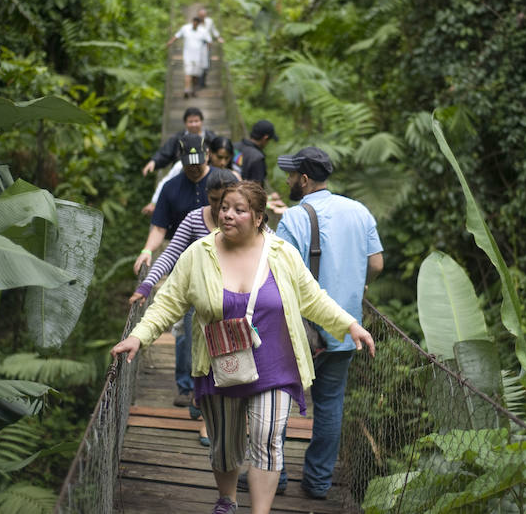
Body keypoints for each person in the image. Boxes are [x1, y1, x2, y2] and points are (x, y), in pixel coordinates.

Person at [112, 181, 375, 514]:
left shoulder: (282, 254)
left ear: (258, 217)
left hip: (274, 366)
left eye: (239, 210)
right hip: (221, 364)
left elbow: (313, 299)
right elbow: (169, 303)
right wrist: (139, 335)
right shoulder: (199, 254)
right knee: (224, 447)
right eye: (224, 208)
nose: (227, 215)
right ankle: (228, 499)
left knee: (266, 438)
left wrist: (350, 325)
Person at [273, 147, 384, 500]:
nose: (288, 180)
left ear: (304, 179)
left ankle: (273, 475)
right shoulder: (360, 211)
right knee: (330, 404)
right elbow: (377, 263)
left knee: (278, 401)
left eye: (292, 175)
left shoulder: (293, 217)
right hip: (347, 329)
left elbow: (279, 274)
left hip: (299, 332)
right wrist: (356, 284)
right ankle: (318, 481)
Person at [130, 168, 240, 446]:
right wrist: (147, 285)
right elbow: (170, 254)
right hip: (198, 301)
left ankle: (210, 417)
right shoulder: (194, 219)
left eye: (225, 202)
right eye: (214, 201)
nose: (219, 209)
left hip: (237, 303)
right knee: (200, 359)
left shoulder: (247, 221)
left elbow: (275, 251)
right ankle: (201, 402)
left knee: (228, 364)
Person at [133, 133, 218, 406]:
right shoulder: (170, 188)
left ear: (207, 155)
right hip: (185, 271)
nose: (194, 167)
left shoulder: (222, 182)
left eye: (198, 161)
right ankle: (188, 386)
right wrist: (147, 251)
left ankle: (211, 389)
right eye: (188, 162)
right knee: (185, 328)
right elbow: (160, 230)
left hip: (223, 269)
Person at [166, 15, 212, 98]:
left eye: (196, 23)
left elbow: (209, 41)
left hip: (199, 57)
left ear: (198, 24)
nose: (195, 24)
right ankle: (186, 90)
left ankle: (194, 90)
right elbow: (177, 35)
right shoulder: (185, 28)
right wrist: (170, 42)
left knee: (196, 75)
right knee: (188, 73)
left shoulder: (203, 31)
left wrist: (207, 52)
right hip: (188, 55)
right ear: (192, 22)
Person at [233, 120, 278, 185]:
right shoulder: (258, 158)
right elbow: (256, 189)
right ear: (265, 138)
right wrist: (270, 196)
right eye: (269, 140)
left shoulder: (234, 146)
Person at [197, 8, 223, 89]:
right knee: (198, 63)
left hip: (207, 45)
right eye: (201, 16)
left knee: (207, 63)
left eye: (203, 16)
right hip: (198, 45)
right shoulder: (196, 22)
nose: (202, 17)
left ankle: (203, 81)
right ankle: (199, 81)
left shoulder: (210, 21)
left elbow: (213, 30)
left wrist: (218, 37)